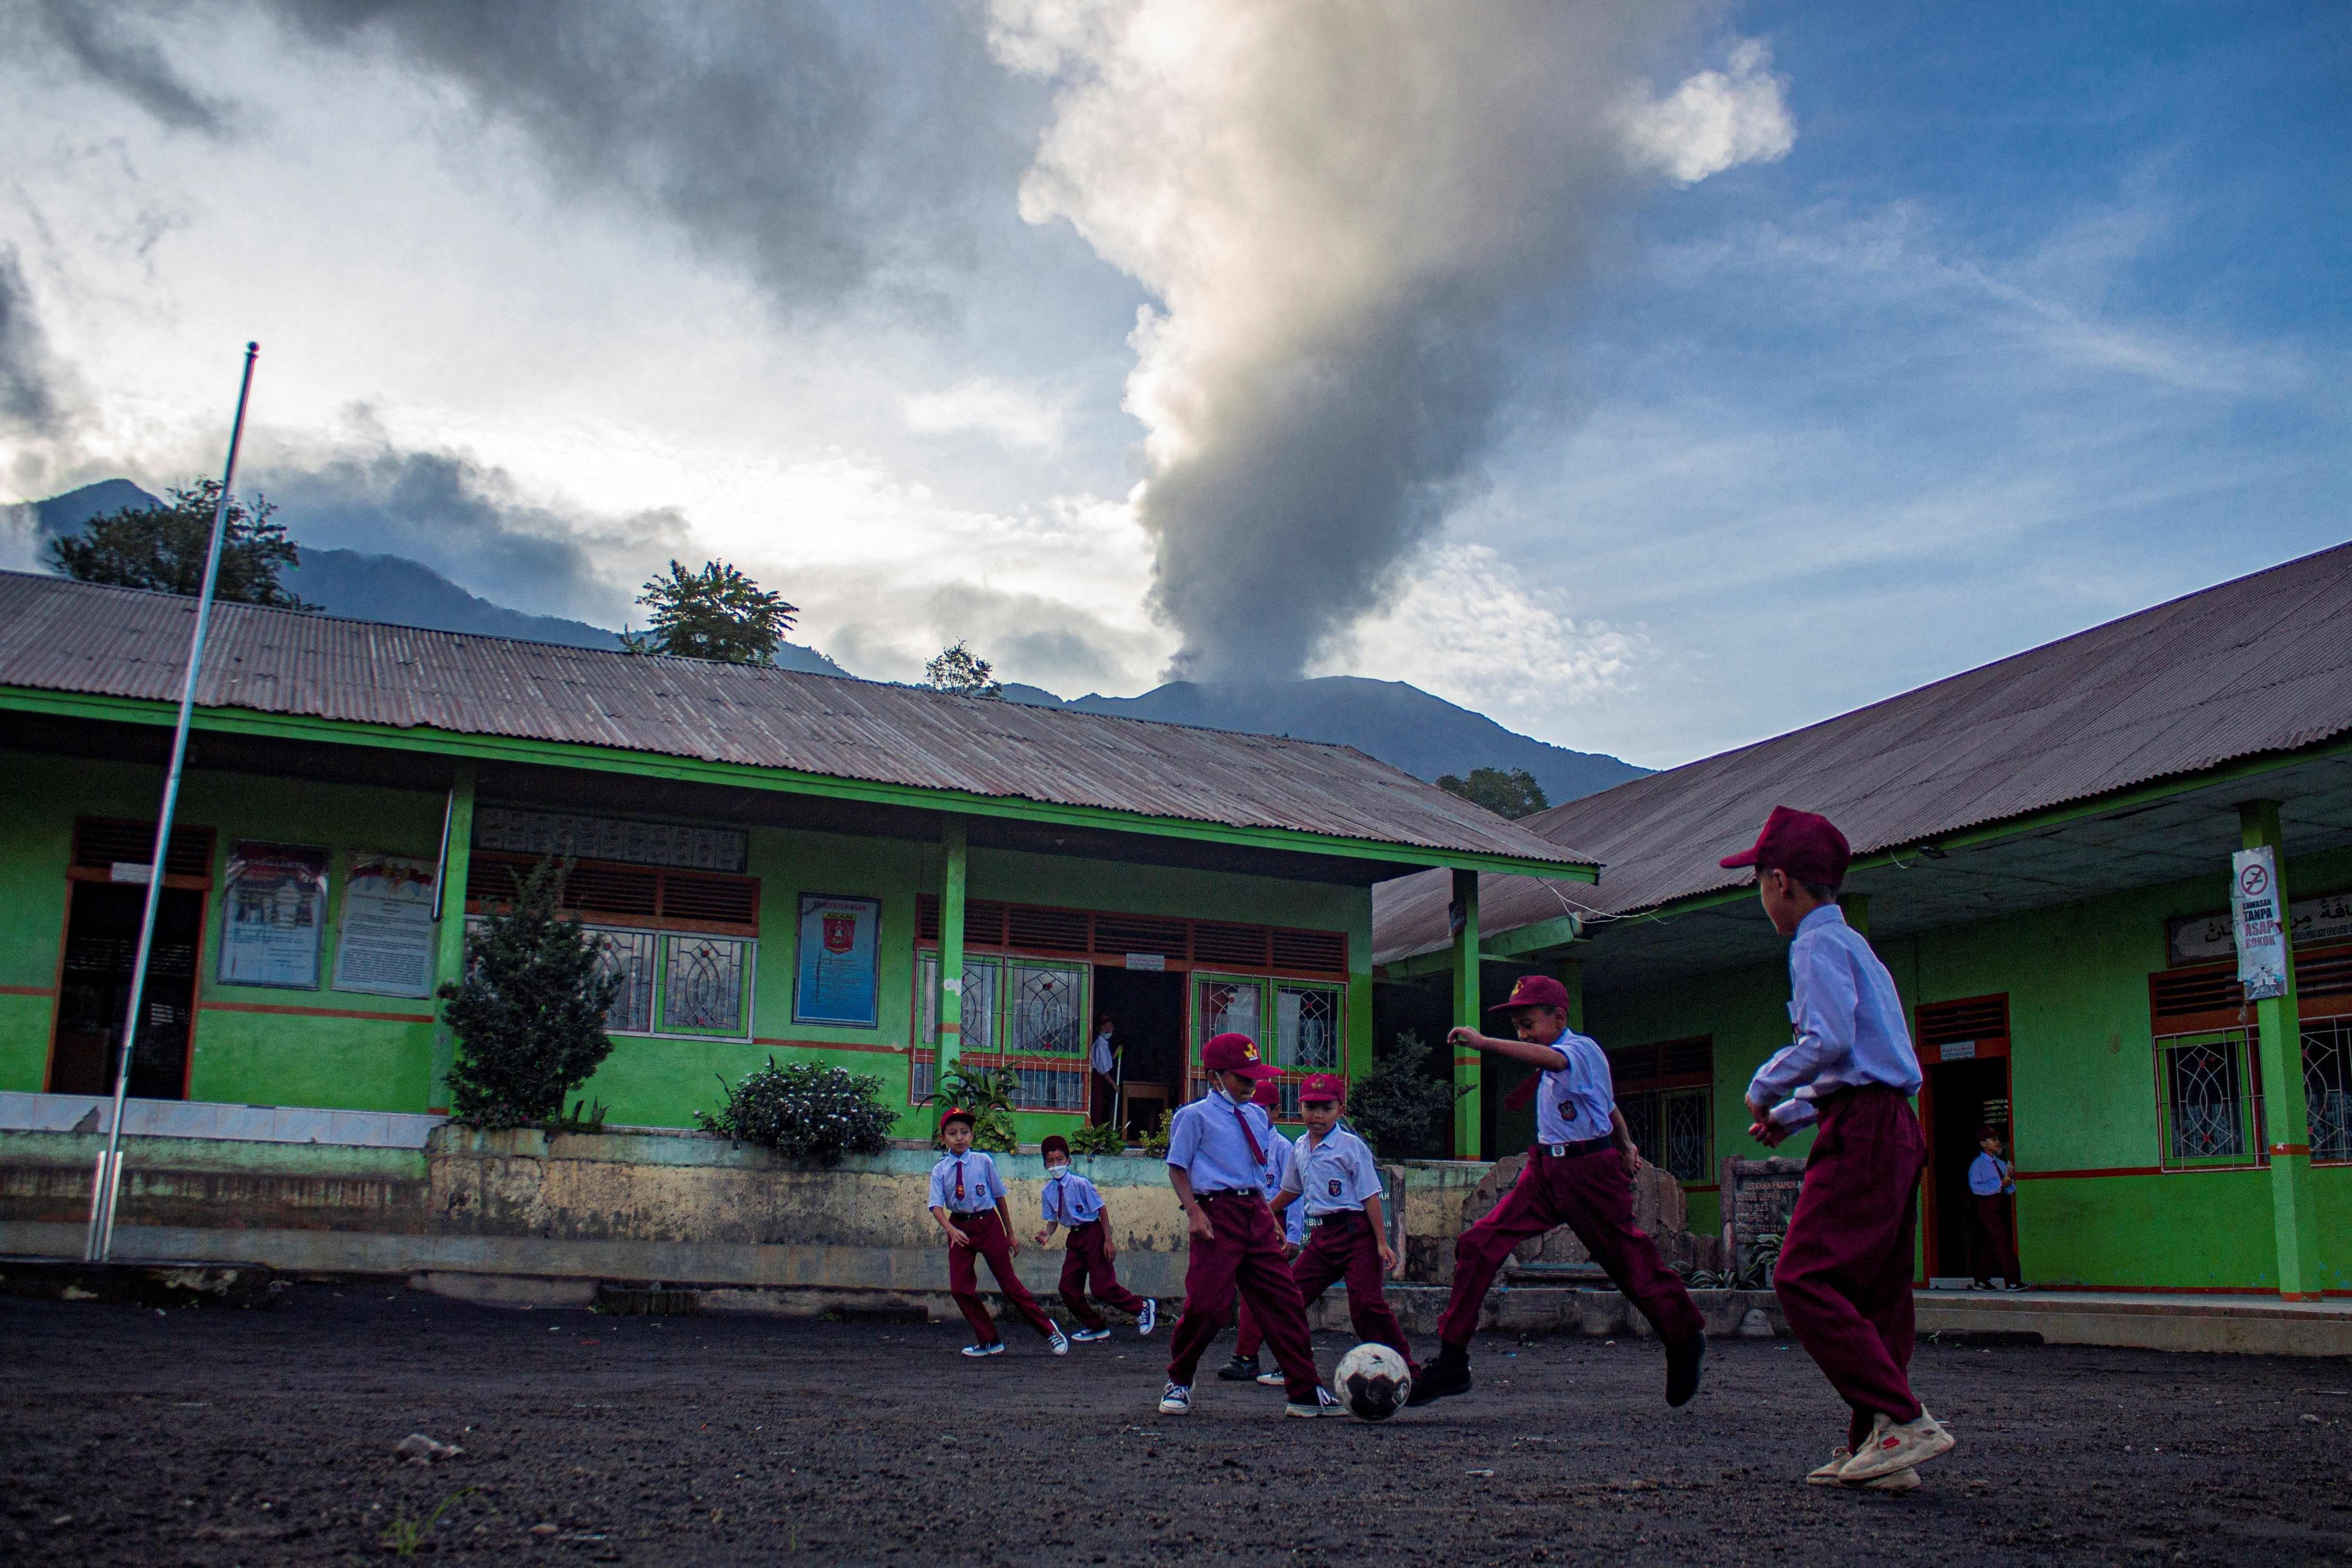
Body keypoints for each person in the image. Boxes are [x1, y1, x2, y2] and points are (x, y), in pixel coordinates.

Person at [1729, 805, 1953, 1489]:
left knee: (1801, 1275)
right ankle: (1880, 1447)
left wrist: (1763, 1089)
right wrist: (1796, 1115)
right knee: (1880, 1293)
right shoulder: (1856, 945)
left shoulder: (1812, 946)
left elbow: (1823, 1041)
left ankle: (1901, 1416)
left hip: (1860, 1129)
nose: (1758, 893)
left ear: (1780, 880)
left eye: (1758, 880)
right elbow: (1863, 1054)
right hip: (1890, 1122)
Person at [1410, 974, 1707, 1408]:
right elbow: (1606, 1106)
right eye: (1518, 1027)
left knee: (1628, 1263)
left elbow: (1553, 1061)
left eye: (1529, 1023)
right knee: (1479, 1243)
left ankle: (1684, 1337)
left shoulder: (1579, 1050)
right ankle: (1453, 1360)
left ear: (1560, 1017)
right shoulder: (1559, 1064)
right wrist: (1626, 1143)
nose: (1523, 1033)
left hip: (1589, 1173)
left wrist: (1486, 1043)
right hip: (1547, 1170)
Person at [1158, 1032, 1345, 1418]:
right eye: (1242, 1077)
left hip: (1255, 1212)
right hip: (1215, 1212)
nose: (1251, 1084)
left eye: (1254, 1076)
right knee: (1209, 1305)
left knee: (1284, 1298)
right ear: (1215, 1078)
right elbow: (1177, 1167)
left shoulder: (1257, 1116)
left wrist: (1269, 1218)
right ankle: (1179, 1377)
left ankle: (1305, 1389)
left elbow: (1256, 1172)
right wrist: (1193, 1211)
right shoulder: (1193, 1117)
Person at [1268, 1074, 1417, 1373]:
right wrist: (1266, 1211)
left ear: (1340, 1110)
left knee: (1367, 1307)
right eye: (1311, 1107)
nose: (1318, 1116)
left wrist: (1381, 1242)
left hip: (1356, 1233)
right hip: (1324, 1236)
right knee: (1289, 1297)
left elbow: (1371, 1195)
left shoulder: (1350, 1147)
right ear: (1300, 1109)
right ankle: (1295, 1366)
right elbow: (1291, 1189)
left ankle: (1405, 1368)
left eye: (1326, 1108)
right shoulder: (1299, 1147)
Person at [927, 1108, 1068, 1359]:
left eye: (964, 1132)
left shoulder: (983, 1162)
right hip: (959, 1227)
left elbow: (999, 1197)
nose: (959, 1138)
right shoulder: (941, 1170)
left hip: (988, 1223)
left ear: (972, 1136)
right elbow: (936, 1207)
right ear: (943, 1138)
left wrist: (1010, 1234)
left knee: (1010, 1285)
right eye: (952, 1133)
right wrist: (951, 1229)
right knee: (960, 1288)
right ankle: (989, 1339)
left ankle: (1049, 1331)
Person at [1221, 1084, 1307, 1385]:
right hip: (1247, 1218)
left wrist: (1294, 1236)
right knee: (1251, 1291)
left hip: (1276, 1221)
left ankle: (1279, 1359)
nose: (1256, 1114)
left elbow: (1294, 1194)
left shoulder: (1284, 1147)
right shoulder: (1239, 1140)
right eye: (1251, 1108)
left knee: (1279, 1294)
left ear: (1276, 1112)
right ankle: (1248, 1356)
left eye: (1263, 1109)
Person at [1034, 1133, 1158, 1340]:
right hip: (1074, 1239)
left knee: (1102, 1288)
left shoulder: (1081, 1184)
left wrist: (1108, 1240)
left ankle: (1142, 1307)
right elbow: (1053, 1220)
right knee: (1067, 1289)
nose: (1055, 1165)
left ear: (1068, 1161)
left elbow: (1101, 1210)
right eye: (1050, 1161)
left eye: (1060, 1160)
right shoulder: (1048, 1191)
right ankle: (1097, 1326)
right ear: (1045, 1165)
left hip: (1093, 1233)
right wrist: (1047, 1233)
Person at [1967, 1126, 2024, 1292]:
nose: (1997, 1142)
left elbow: (2007, 1189)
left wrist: (2009, 1181)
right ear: (1983, 1143)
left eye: (1998, 1139)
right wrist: (1999, 1184)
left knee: (1992, 1244)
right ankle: (2013, 1281)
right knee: (2002, 1243)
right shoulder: (1977, 1165)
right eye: (1993, 1140)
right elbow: (1976, 1188)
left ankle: (1981, 1280)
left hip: (2000, 1207)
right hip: (1987, 1209)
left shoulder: (2000, 1163)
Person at [1090, 1014, 1119, 1126]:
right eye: (1105, 1026)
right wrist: (1114, 1085)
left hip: (1104, 1081)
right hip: (1100, 1080)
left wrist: (1116, 1053)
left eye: (1110, 1026)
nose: (1108, 1029)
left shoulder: (1104, 1043)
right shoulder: (1099, 1045)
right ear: (1100, 1028)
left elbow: (1107, 1060)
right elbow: (1103, 1070)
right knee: (1098, 1110)